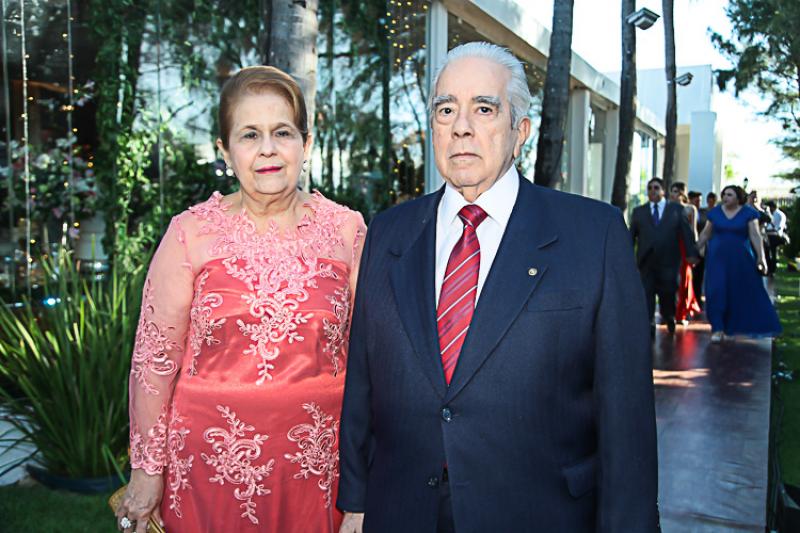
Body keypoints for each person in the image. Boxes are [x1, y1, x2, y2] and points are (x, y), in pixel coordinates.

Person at [337, 42, 658, 533]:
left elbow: (626, 418)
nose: (461, 126)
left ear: (519, 131)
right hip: (402, 511)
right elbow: (363, 378)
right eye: (446, 109)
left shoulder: (595, 236)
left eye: (484, 108)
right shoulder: (388, 232)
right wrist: (356, 501)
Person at [116, 66, 366, 533]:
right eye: (250, 134)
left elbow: (373, 361)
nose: (268, 148)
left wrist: (363, 488)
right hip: (209, 469)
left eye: (282, 132)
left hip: (319, 470)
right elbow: (155, 359)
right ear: (225, 150)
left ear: (306, 143)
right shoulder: (190, 233)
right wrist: (147, 471)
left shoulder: (347, 231)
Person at [697, 185, 781, 342]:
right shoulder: (715, 213)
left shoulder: (749, 213)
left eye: (729, 194)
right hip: (717, 259)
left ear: (738, 197)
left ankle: (733, 326)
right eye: (724, 194)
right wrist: (696, 249)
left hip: (740, 259)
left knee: (738, 292)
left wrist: (761, 257)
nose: (725, 197)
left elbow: (755, 235)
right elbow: (706, 233)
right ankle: (717, 328)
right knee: (716, 290)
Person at [630, 177, 698, 336]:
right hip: (646, 261)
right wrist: (626, 256)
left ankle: (669, 316)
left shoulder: (676, 209)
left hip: (669, 261)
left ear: (663, 191)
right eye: (649, 188)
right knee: (647, 292)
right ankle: (649, 322)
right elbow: (631, 236)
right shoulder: (639, 212)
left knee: (668, 292)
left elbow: (686, 233)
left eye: (656, 188)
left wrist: (691, 254)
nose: (652, 191)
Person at [669, 182, 701, 324]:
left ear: (682, 193)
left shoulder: (690, 209)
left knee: (684, 279)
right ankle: (670, 312)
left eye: (676, 191)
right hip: (671, 246)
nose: (673, 194)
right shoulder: (667, 208)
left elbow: (693, 231)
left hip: (685, 247)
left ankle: (681, 312)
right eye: (672, 191)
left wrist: (695, 250)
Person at [689, 191, 707, 306]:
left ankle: (698, 299)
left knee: (699, 276)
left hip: (701, 249)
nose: (698, 203)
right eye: (696, 200)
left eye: (700, 201)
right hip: (689, 247)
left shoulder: (704, 213)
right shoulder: (685, 211)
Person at [764, 200, 788, 276]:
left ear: (772, 207)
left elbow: (775, 227)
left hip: (774, 235)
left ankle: (772, 270)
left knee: (772, 253)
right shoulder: (779, 214)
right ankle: (771, 269)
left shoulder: (777, 214)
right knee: (772, 253)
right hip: (773, 235)